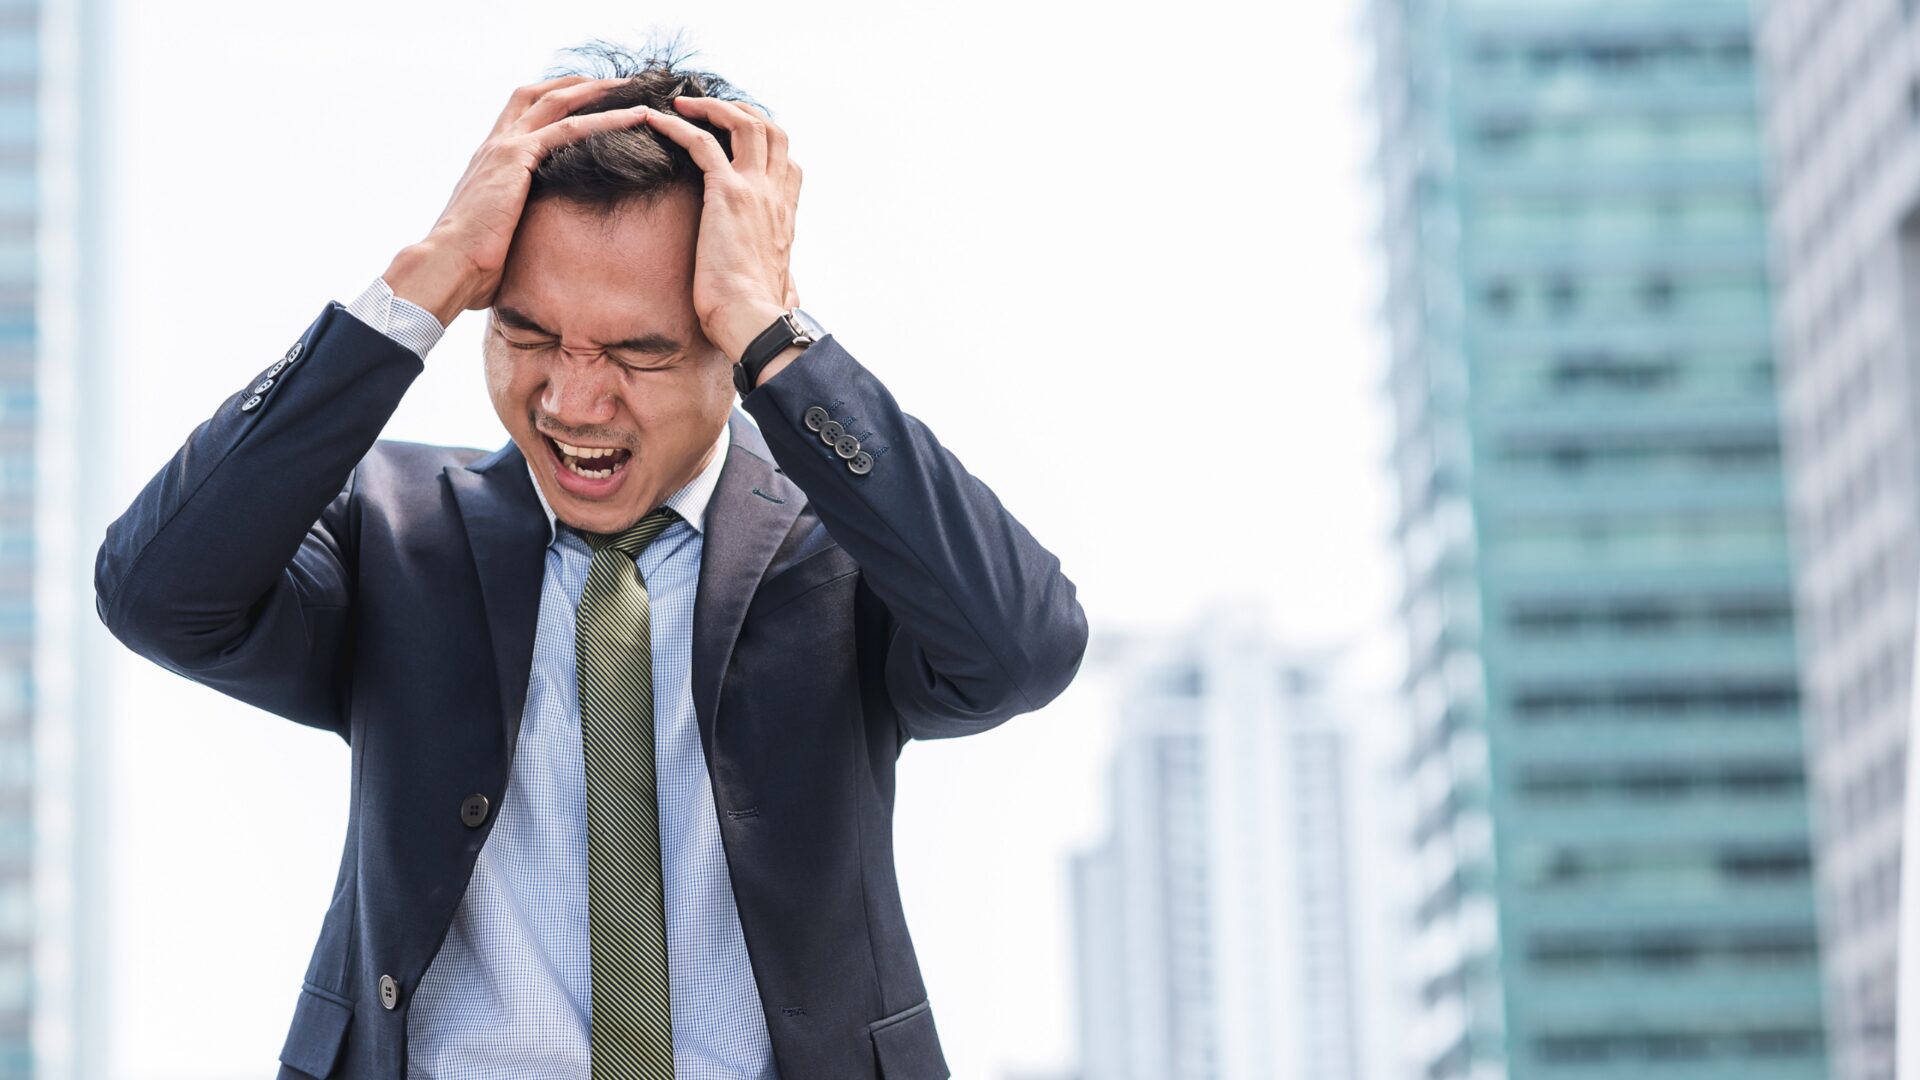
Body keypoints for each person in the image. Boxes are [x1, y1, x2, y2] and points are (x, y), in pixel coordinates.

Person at [93, 42, 1088, 1080]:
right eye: (528, 336)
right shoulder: (391, 532)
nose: (572, 402)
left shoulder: (844, 552)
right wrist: (424, 279)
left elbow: (1020, 650)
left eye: (640, 351)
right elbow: (158, 593)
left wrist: (780, 336)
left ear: (728, 347)